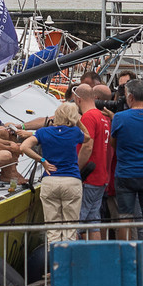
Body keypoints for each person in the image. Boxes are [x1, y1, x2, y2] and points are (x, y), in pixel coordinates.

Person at [20, 101, 93, 244]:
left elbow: (24, 147)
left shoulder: (43, 132)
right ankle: (68, 263)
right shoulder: (74, 132)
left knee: (52, 229)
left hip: (50, 179)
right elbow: (87, 137)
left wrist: (42, 161)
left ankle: (54, 263)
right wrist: (77, 121)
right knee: (70, 228)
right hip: (71, 180)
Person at [109, 79, 143, 266]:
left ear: (130, 97)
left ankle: (126, 261)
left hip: (125, 173)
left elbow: (114, 143)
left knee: (125, 217)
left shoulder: (119, 118)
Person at [77, 84, 113, 239]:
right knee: (93, 220)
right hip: (101, 175)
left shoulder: (89, 117)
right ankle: (96, 260)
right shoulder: (103, 118)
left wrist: (76, 170)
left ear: (78, 100)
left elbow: (87, 146)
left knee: (77, 220)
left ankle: (75, 261)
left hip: (89, 176)